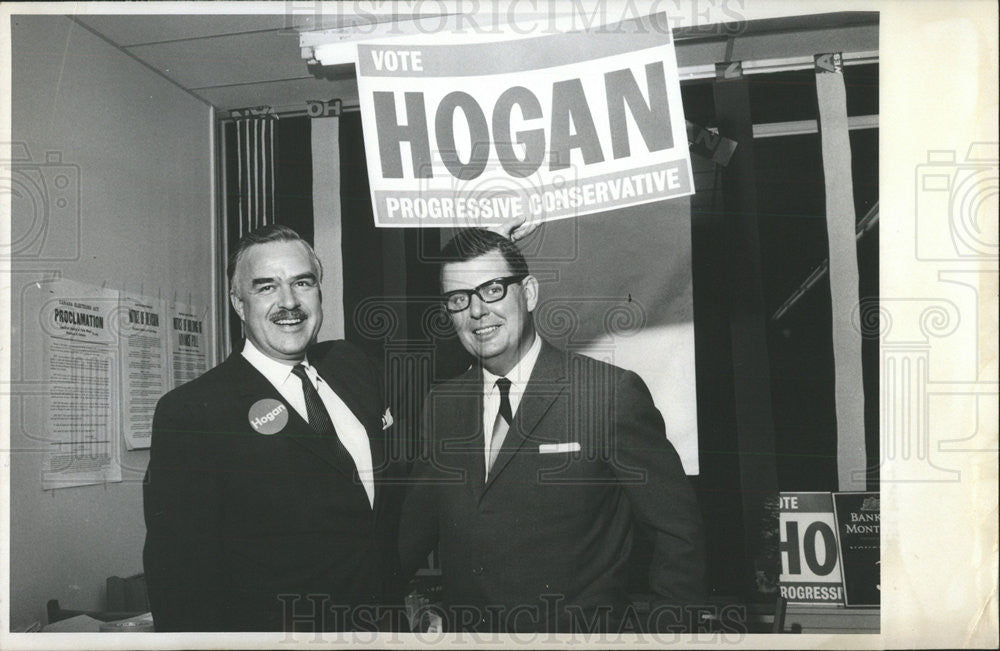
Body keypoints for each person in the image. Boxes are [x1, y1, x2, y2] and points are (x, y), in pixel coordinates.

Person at [399, 228, 705, 633]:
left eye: (492, 290)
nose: (476, 311)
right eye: (459, 299)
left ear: (528, 293)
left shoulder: (608, 394)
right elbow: (411, 536)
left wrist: (671, 640)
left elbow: (679, 535)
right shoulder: (441, 407)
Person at [143, 224, 403, 632]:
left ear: (319, 290)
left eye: (303, 282)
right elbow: (179, 582)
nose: (289, 303)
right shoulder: (193, 413)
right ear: (238, 303)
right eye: (266, 287)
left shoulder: (353, 367)